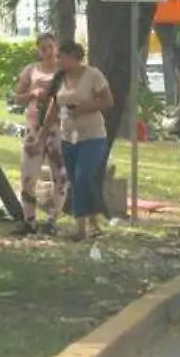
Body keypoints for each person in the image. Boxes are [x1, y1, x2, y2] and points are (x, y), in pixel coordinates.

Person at [45, 40, 114, 242]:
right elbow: (54, 106)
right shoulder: (60, 78)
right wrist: (43, 132)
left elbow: (108, 101)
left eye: (61, 57)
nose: (58, 61)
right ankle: (91, 223)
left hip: (92, 135)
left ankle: (81, 229)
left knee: (83, 177)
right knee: (76, 181)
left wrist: (84, 108)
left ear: (73, 57)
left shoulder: (93, 75)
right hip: (68, 137)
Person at [12, 33, 68, 235]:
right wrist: (32, 94)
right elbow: (17, 97)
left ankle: (52, 219)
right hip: (34, 127)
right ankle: (29, 220)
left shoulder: (64, 71)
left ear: (56, 48)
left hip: (59, 128)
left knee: (60, 175)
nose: (47, 51)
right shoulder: (31, 70)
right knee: (28, 175)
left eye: (50, 47)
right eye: (43, 48)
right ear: (38, 50)